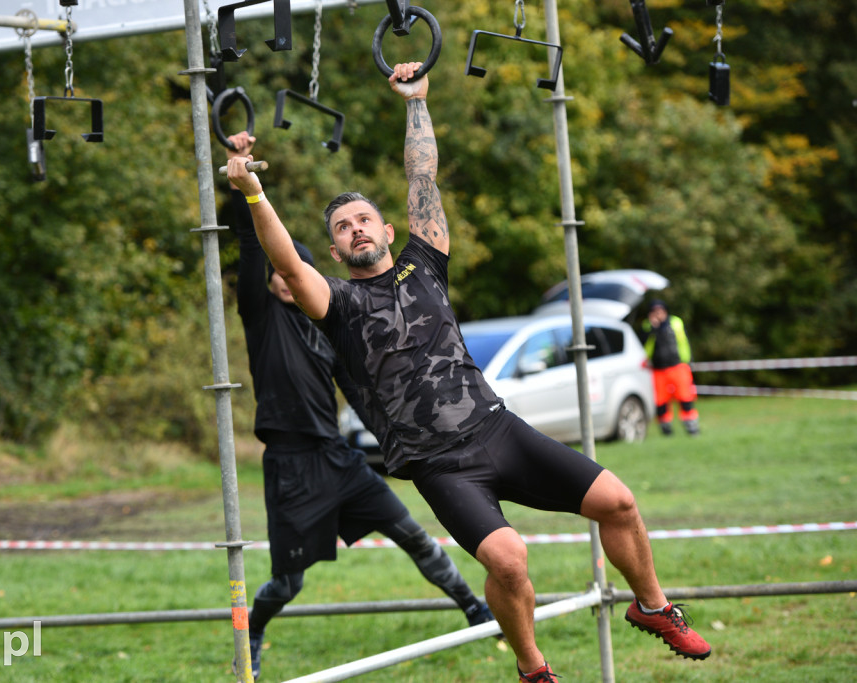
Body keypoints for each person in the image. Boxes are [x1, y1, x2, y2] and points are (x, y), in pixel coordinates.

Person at [225, 63, 711, 681]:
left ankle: (654, 607)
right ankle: (534, 669)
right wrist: (254, 196)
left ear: (389, 229)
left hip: (496, 428)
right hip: (437, 463)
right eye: (342, 229)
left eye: (363, 220)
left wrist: (415, 103)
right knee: (509, 558)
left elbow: (421, 175)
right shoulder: (337, 305)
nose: (355, 230)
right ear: (337, 250)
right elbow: (288, 265)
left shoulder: (425, 263)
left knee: (618, 501)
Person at [221, 131, 494, 681]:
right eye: (281, 273)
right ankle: (252, 630)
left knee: (412, 532)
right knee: (289, 582)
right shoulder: (264, 318)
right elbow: (256, 249)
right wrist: (242, 187)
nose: (287, 280)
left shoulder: (331, 321)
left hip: (339, 459)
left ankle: (475, 609)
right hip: (291, 464)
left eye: (297, 272)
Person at [643, 300, 700, 436]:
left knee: (685, 398)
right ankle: (666, 430)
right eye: (654, 311)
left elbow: (684, 342)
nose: (658, 313)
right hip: (658, 370)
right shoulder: (647, 326)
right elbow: (643, 344)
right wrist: (653, 329)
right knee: (661, 401)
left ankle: (691, 427)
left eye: (660, 310)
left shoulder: (675, 322)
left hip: (678, 366)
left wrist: (687, 361)